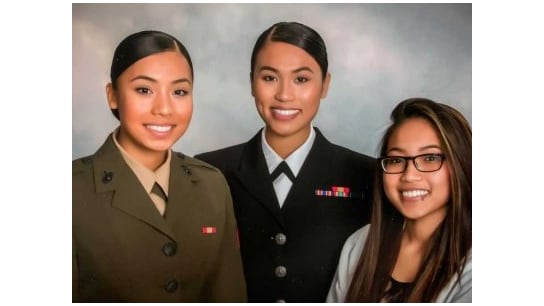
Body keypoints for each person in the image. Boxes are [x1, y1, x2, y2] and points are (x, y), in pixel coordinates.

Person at [194, 22, 375, 302]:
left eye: (301, 79)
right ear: (252, 81)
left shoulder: (366, 175)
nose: (284, 95)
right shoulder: (208, 170)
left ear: (325, 84)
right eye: (269, 78)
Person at [72, 30, 246, 302]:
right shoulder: (71, 191)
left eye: (179, 91)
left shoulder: (212, 185)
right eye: (144, 89)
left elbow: (228, 294)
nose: (164, 108)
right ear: (113, 95)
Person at [327, 97, 472, 302]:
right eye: (396, 160)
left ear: (461, 163)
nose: (409, 175)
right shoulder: (360, 243)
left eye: (430, 158)